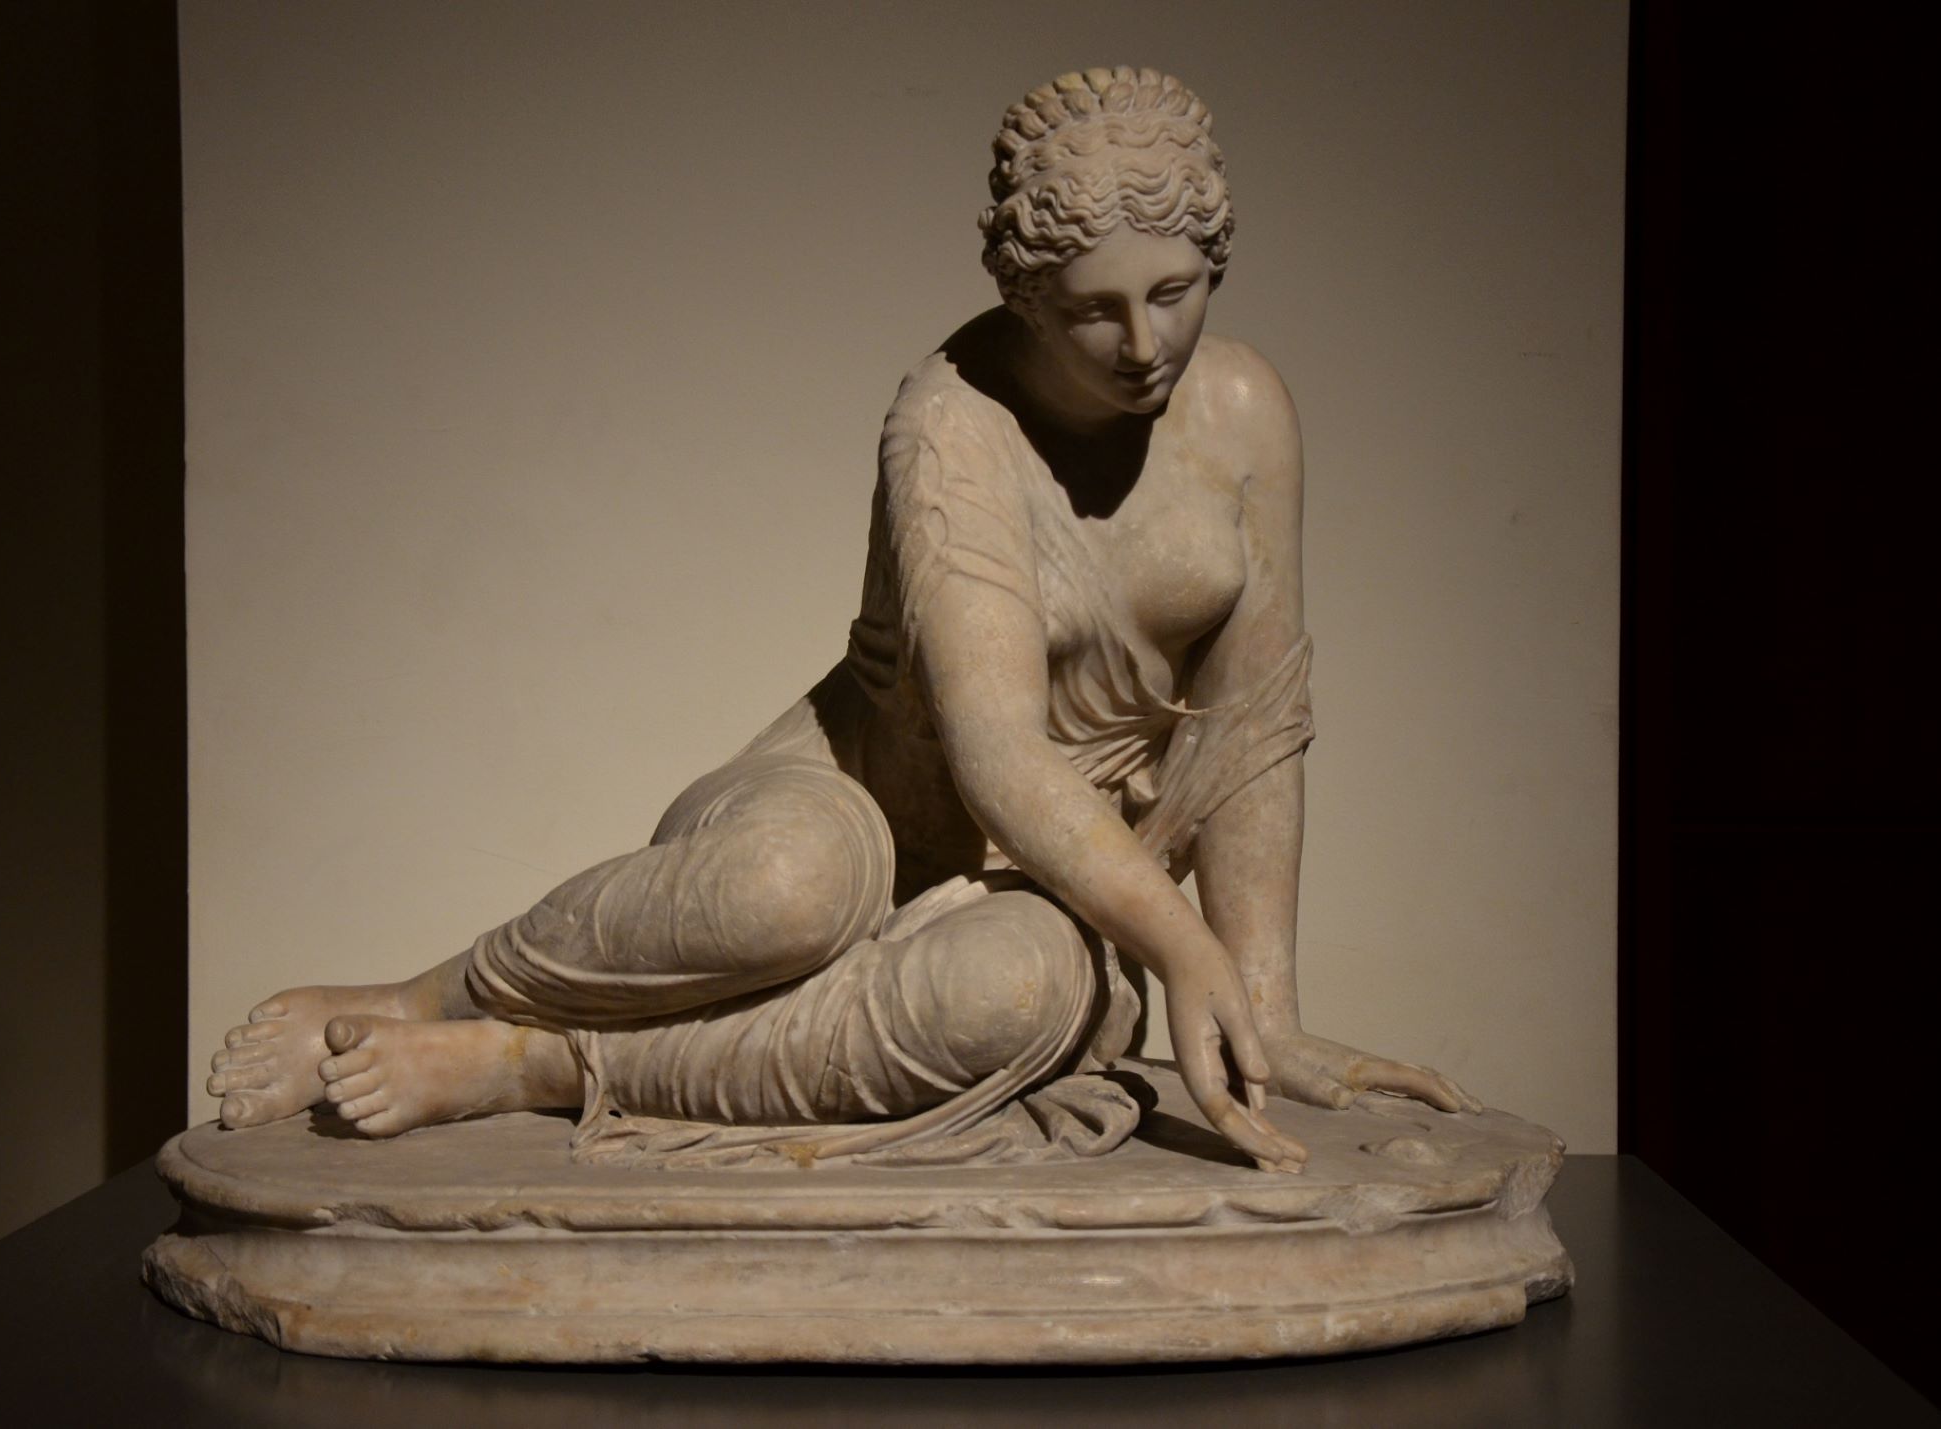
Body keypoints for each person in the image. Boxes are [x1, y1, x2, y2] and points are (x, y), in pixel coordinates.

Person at [205, 67, 1476, 1173]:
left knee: (1020, 991)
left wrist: (1265, 1011)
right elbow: (998, 755)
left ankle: (534, 1065)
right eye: (1098, 309)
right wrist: (1183, 942)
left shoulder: (1245, 413)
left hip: (1068, 885)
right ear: (1030, 297)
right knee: (789, 888)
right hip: (853, 806)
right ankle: (430, 997)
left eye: (1177, 291)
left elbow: (1252, 727)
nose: (1147, 343)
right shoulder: (953, 425)